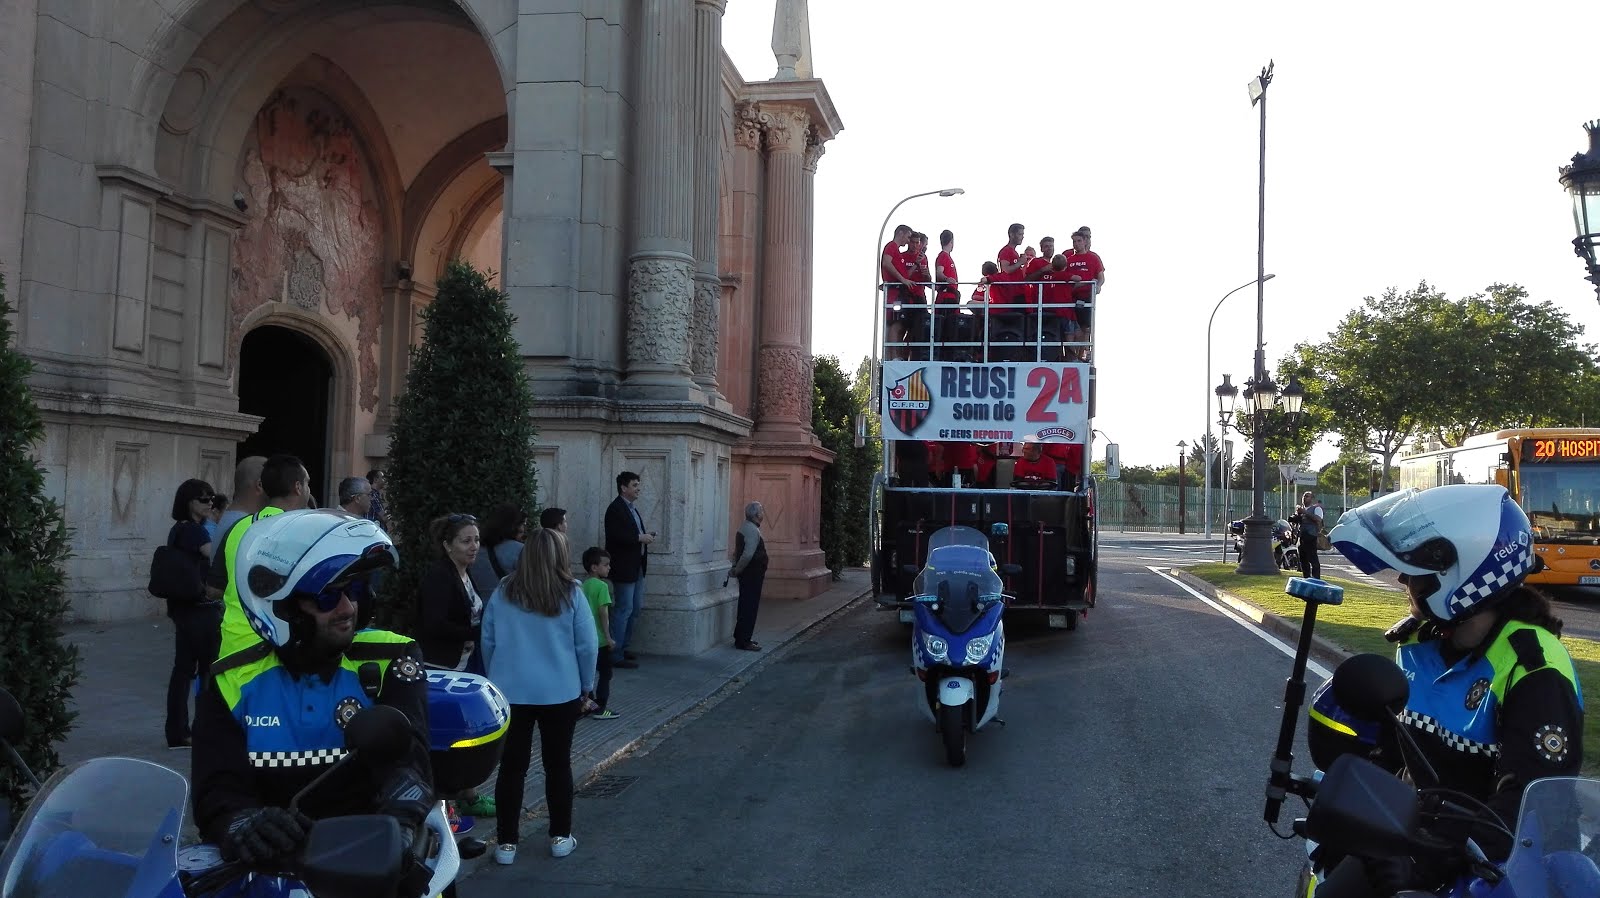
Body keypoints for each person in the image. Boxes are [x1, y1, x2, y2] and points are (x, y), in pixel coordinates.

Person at [1320, 484, 1584, 889]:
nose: (1405, 578)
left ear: (1461, 574)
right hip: (1413, 834)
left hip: (1502, 866)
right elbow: (1396, 751)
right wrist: (1355, 819)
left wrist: (1426, 862)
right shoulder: (1418, 645)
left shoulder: (1533, 669)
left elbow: (1530, 807)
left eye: (1418, 569)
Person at [191, 510, 433, 897]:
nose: (347, 608)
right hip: (275, 874)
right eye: (327, 596)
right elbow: (216, 788)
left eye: (353, 591)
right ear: (283, 607)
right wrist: (242, 822)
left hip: (375, 863)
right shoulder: (233, 680)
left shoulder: (391, 658)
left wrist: (399, 830)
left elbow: (409, 763)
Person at [482, 528, 598, 864]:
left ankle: (506, 843)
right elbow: (587, 644)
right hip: (560, 691)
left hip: (511, 690)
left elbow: (488, 639)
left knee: (512, 768)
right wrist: (586, 684)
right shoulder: (571, 592)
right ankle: (560, 836)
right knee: (558, 765)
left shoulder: (504, 590)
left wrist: (495, 677)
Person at [211, 455, 313, 657]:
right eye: (307, 483)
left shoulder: (238, 528)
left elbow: (213, 589)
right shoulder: (306, 532)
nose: (309, 489)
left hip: (233, 646)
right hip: (281, 649)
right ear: (298, 487)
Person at [162, 478, 219, 749]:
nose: (210, 504)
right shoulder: (196, 532)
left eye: (211, 499)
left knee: (183, 671)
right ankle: (205, 727)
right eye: (204, 499)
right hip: (199, 609)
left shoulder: (177, 530)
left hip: (181, 607)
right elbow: (215, 557)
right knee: (209, 670)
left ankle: (178, 731)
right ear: (190, 503)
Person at [417, 513, 485, 674]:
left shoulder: (465, 572)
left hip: (462, 661)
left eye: (476, 539)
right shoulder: (440, 576)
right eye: (466, 541)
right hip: (439, 665)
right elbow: (435, 624)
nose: (474, 546)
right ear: (448, 545)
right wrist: (477, 633)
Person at [604, 471, 654, 669]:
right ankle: (615, 654)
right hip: (624, 568)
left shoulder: (631, 508)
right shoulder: (615, 509)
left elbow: (631, 533)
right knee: (623, 609)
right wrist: (639, 538)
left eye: (638, 485)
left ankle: (623, 647)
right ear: (623, 488)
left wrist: (644, 536)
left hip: (636, 566)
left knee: (634, 609)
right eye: (634, 485)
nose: (638, 488)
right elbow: (616, 536)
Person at [579, 547, 619, 719]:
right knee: (605, 674)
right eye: (606, 565)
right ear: (594, 567)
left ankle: (588, 704)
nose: (609, 568)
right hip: (600, 640)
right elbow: (604, 613)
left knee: (587, 674)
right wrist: (609, 637)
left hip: (586, 638)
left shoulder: (582, 585)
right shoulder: (602, 586)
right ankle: (600, 708)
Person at [727, 502, 769, 651]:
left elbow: (738, 552)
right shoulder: (751, 530)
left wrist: (736, 568)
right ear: (756, 515)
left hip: (750, 574)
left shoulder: (747, 527)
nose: (763, 514)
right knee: (749, 607)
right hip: (751, 575)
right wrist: (737, 570)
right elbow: (747, 555)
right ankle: (744, 640)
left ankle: (742, 637)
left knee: (746, 605)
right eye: (761, 511)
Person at [469, 503, 527, 598]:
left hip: (479, 606)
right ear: (514, 526)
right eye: (523, 524)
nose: (523, 529)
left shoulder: (475, 549)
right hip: (506, 606)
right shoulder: (520, 550)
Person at [1294, 491, 1325, 579]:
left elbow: (1318, 519)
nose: (1304, 498)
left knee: (1313, 559)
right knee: (1303, 560)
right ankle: (1306, 578)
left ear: (1312, 499)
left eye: (1307, 496)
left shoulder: (1316, 509)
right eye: (1304, 496)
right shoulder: (1300, 510)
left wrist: (1305, 512)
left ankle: (1316, 579)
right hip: (1301, 536)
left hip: (1311, 536)